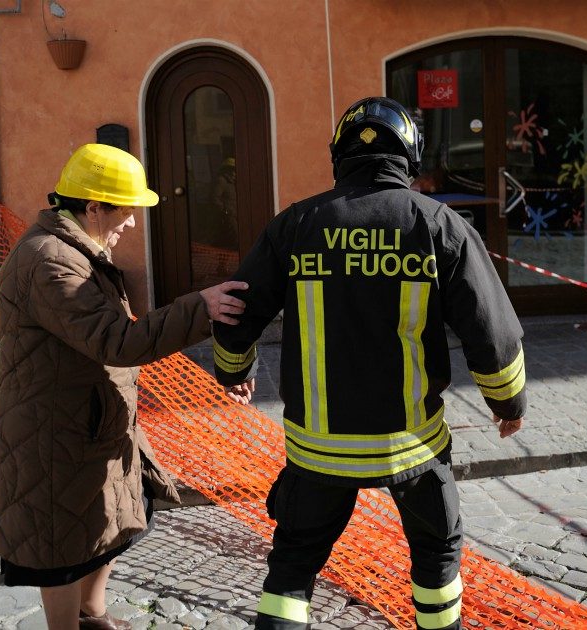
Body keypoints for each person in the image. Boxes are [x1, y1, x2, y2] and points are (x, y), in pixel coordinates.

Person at [211, 97, 527, 630]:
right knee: (436, 554)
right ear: (410, 156)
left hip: (317, 448)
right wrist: (508, 403)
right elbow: (491, 331)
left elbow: (236, 307)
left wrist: (234, 369)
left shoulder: (296, 224)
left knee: (294, 562)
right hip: (412, 446)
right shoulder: (439, 226)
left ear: (339, 157)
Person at [0, 143, 248, 630]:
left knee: (116, 520)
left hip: (91, 421)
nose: (130, 222)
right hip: (54, 432)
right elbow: (117, 340)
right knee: (63, 543)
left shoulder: (78, 249)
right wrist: (201, 308)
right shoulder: (49, 261)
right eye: (125, 210)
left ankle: (93, 613)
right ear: (92, 208)